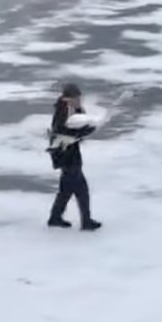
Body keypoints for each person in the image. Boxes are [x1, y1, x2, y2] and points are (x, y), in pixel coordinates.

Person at [47, 82, 102, 231]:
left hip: (69, 153)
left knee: (66, 190)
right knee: (81, 189)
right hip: (66, 155)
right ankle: (86, 221)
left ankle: (55, 218)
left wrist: (87, 127)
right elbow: (64, 130)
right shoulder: (64, 109)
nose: (79, 100)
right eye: (77, 98)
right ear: (69, 98)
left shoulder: (72, 109)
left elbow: (77, 126)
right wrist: (86, 131)